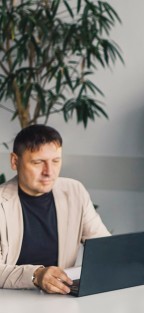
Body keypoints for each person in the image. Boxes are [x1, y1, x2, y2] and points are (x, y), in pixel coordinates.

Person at [0, 124, 110, 294]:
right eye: (38, 162)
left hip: (60, 298)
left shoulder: (74, 191)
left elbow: (104, 246)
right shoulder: (2, 203)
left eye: (56, 161)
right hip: (9, 299)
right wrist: (36, 275)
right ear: (15, 161)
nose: (49, 172)